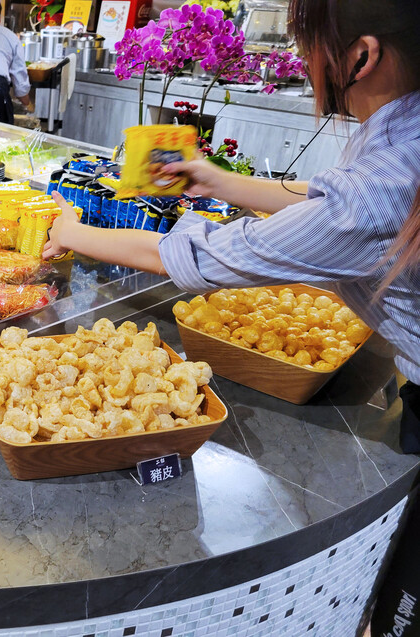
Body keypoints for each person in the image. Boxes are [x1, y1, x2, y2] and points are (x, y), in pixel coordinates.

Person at [45, 1, 419, 632]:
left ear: (362, 55)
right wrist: (218, 181)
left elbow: (218, 257)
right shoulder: (403, 127)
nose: (305, 63)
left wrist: (73, 229)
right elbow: (317, 200)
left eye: (310, 47)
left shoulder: (385, 182)